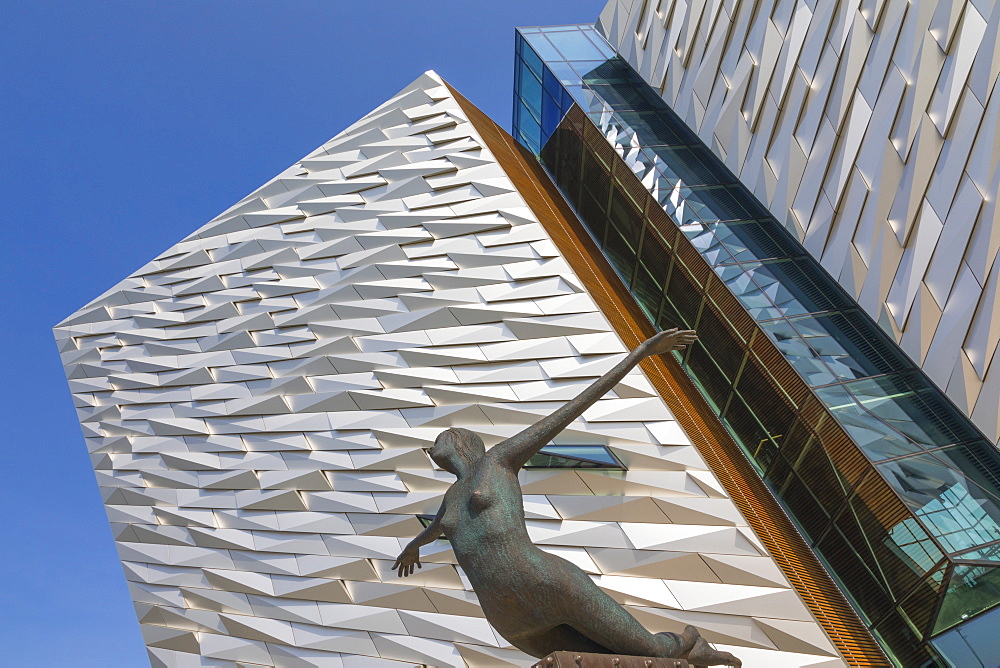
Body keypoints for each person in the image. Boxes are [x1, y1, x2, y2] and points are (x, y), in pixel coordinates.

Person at [393, 329, 741, 666]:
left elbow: (567, 412)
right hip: (507, 614)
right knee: (600, 664)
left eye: (436, 441)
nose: (429, 449)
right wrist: (413, 546)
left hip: (544, 581)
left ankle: (688, 644)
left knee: (651, 653)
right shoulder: (452, 496)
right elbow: (438, 528)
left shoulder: (498, 460)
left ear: (458, 441)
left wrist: (640, 354)